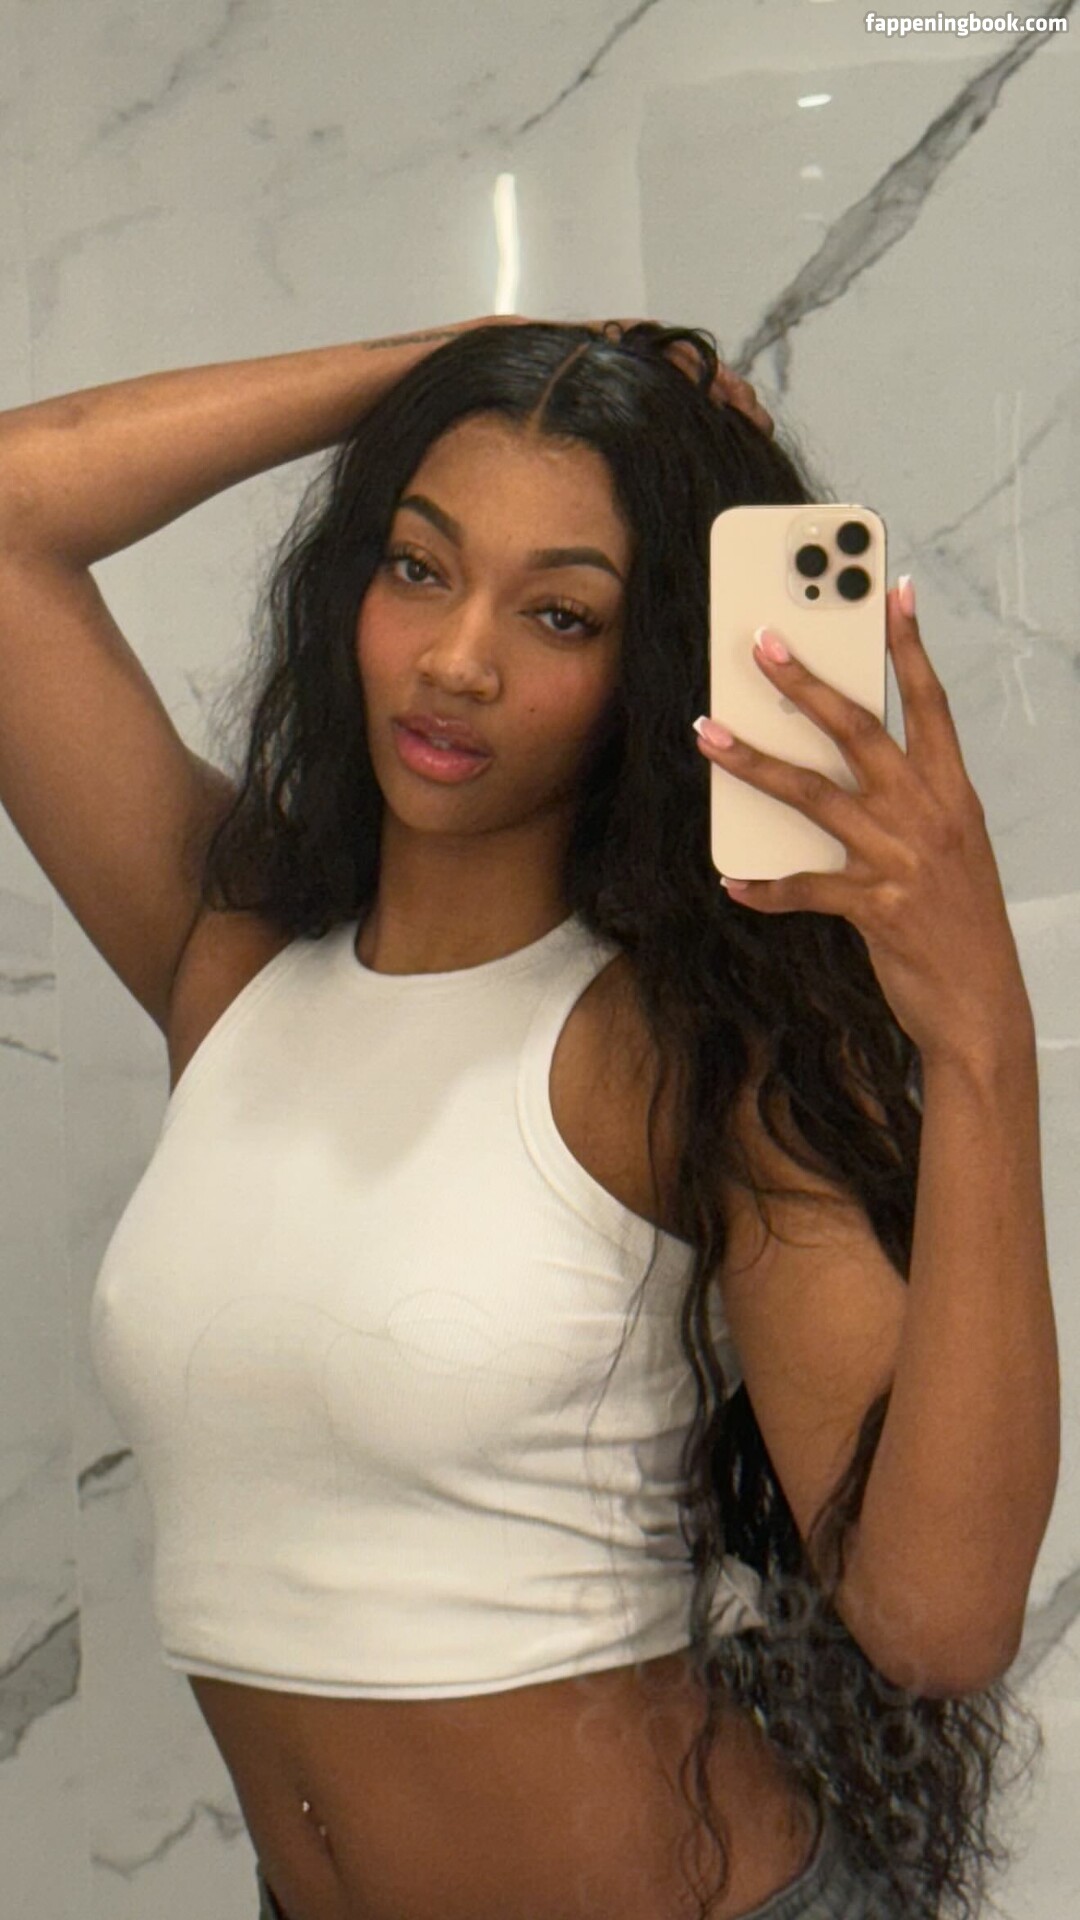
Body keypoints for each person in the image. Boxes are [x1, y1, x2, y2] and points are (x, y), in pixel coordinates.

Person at [0, 318, 1054, 1920]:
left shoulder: (689, 1052)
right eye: (420, 568)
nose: (457, 660)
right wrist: (487, 352)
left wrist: (982, 1046)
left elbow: (939, 1622)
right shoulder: (236, 961)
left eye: (560, 612)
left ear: (652, 668)